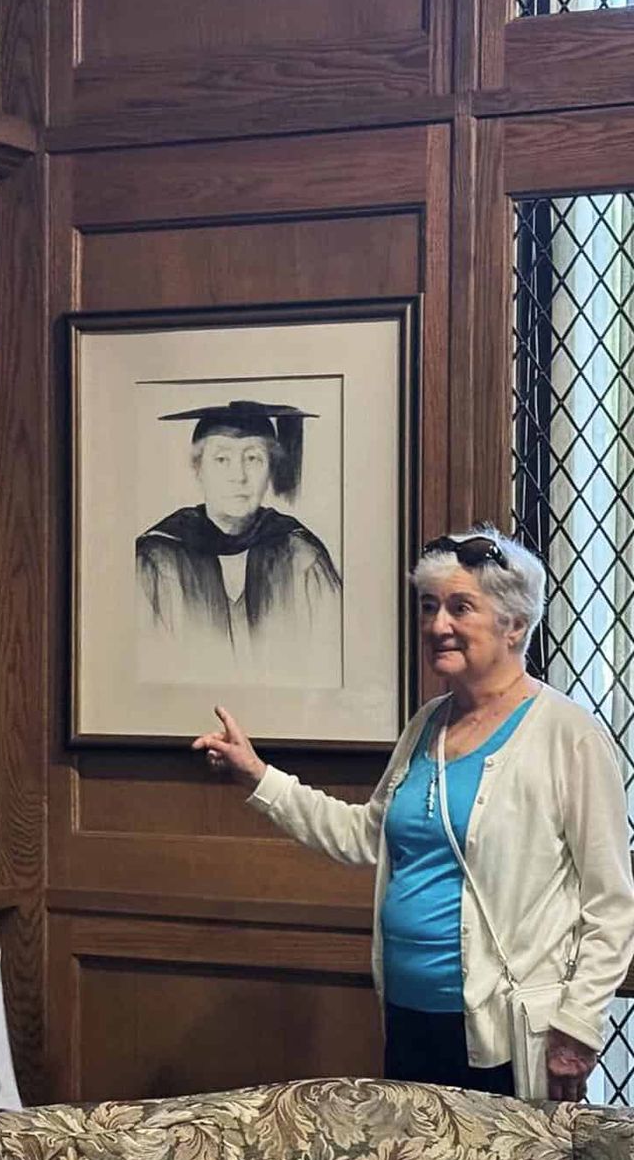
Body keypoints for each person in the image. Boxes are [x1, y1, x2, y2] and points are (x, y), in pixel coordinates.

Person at [193, 527, 634, 1098]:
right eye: (429, 608)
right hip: (407, 1014)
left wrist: (577, 1028)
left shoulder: (568, 735)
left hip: (503, 1034)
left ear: (515, 626)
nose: (437, 625)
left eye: (460, 607)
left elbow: (611, 903)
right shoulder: (428, 723)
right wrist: (258, 776)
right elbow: (365, 835)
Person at [136, 400, 341, 682]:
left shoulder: (303, 557)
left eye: (253, 458)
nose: (239, 476)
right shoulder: (157, 558)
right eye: (222, 459)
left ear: (271, 470)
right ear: (198, 470)